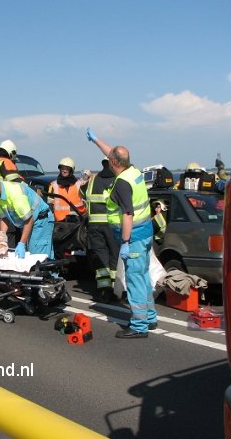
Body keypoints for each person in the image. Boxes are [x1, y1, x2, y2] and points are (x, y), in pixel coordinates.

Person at [86, 128, 157, 339]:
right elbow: (113, 153)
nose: (108, 160)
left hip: (133, 236)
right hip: (145, 233)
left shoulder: (122, 184)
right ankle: (149, 317)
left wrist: (125, 242)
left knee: (134, 279)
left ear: (113, 163)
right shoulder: (133, 171)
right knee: (143, 277)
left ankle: (139, 326)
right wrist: (96, 140)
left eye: (110, 159)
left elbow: (127, 213)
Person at [0, 176, 54, 259]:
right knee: (30, 253)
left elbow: (29, 220)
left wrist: (21, 243)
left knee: (37, 255)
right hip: (30, 222)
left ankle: (48, 271)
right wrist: (2, 236)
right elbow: (4, 218)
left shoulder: (14, 193)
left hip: (41, 220)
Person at [85, 157, 120, 303]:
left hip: (94, 225)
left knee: (101, 257)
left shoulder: (93, 180)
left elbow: (83, 194)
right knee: (114, 256)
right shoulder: (118, 180)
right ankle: (114, 288)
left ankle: (104, 289)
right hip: (112, 224)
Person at [47, 157, 88, 222]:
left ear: (71, 170)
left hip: (79, 220)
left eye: (67, 169)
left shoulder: (79, 184)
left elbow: (87, 201)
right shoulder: (53, 185)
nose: (64, 170)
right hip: (60, 222)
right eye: (62, 168)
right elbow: (49, 205)